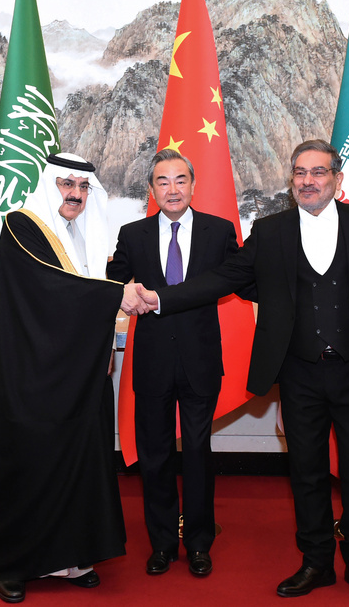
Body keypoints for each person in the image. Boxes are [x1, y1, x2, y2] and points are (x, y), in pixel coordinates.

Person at [136, 140, 349, 603]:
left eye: (318, 172)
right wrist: (162, 297)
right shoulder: (271, 231)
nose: (308, 181)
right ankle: (316, 563)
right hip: (299, 374)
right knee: (305, 472)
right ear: (291, 181)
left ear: (337, 179)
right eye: (300, 173)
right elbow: (226, 279)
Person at [0, 152, 140, 604]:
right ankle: (13, 564)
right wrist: (117, 294)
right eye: (66, 184)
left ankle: (71, 557)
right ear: (49, 185)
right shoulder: (21, 225)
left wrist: (106, 343)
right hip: (29, 376)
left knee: (79, 461)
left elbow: (82, 293)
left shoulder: (84, 236)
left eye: (83, 187)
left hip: (78, 373)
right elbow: (49, 287)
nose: (75, 194)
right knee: (28, 461)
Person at [107, 149, 249, 578]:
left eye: (180, 180)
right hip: (151, 362)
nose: (172, 189)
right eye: (163, 182)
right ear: (151, 190)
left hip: (201, 360)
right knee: (155, 456)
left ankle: (200, 543)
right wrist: (123, 290)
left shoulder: (218, 231)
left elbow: (240, 278)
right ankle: (163, 544)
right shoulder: (132, 234)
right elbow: (113, 279)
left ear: (193, 184)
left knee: (198, 455)